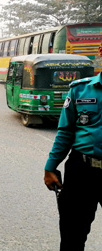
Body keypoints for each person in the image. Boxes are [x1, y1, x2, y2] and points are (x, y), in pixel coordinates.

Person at [44, 41, 102, 250]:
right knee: (72, 235)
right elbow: (65, 132)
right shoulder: (80, 90)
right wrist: (50, 167)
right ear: (101, 51)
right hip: (82, 171)